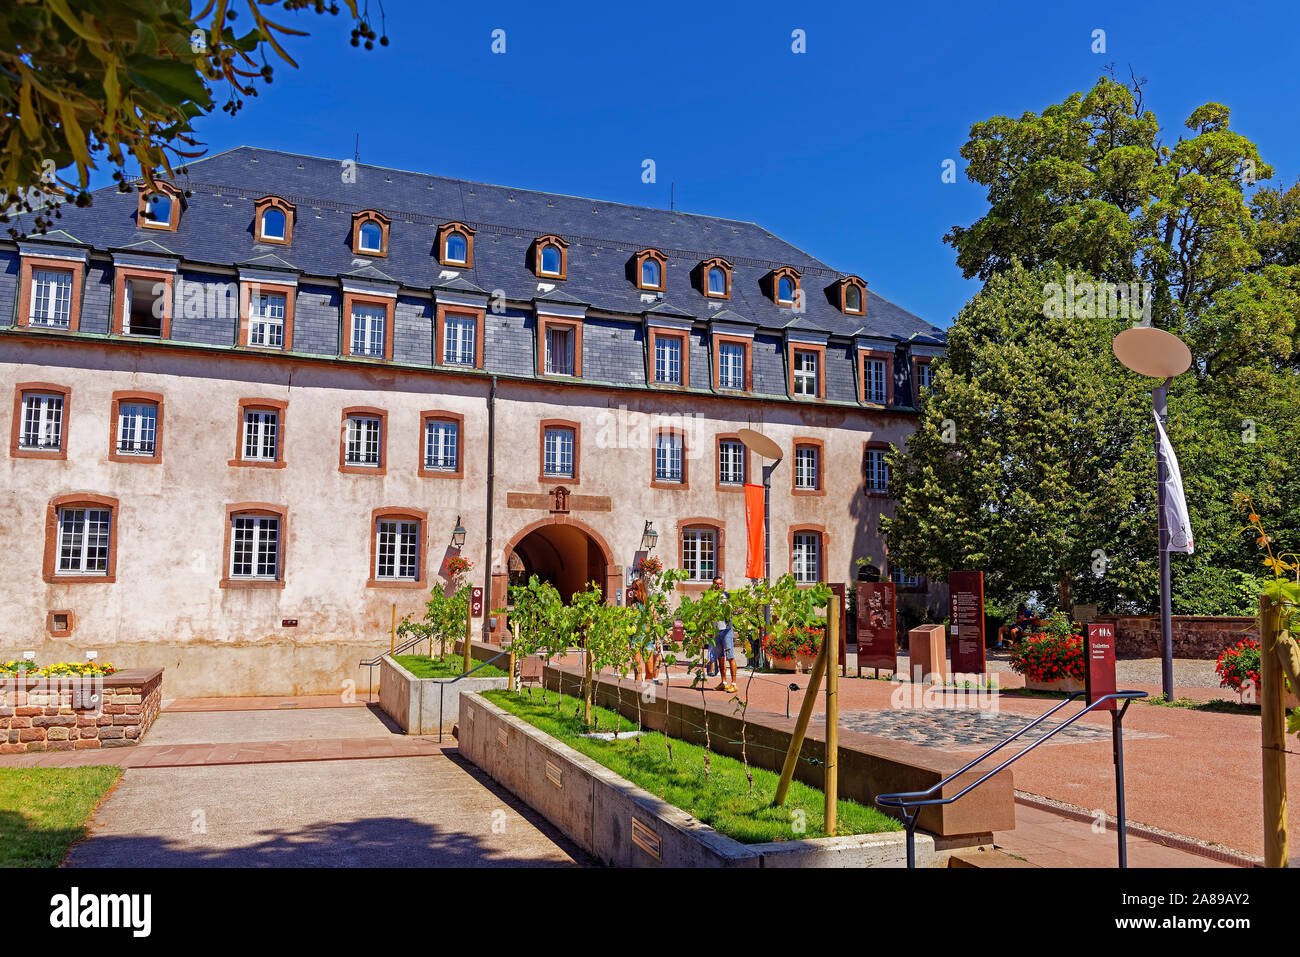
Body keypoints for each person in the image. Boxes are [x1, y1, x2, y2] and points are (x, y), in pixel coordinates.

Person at [710, 576, 738, 693]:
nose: (718, 586)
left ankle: (734, 683)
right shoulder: (710, 598)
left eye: (720, 584)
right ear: (713, 585)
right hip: (716, 631)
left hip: (726, 630)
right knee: (720, 657)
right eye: (716, 584)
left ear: (723, 585)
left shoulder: (727, 596)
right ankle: (724, 682)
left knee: (730, 656)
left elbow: (734, 610)